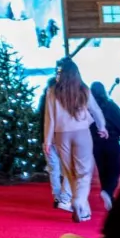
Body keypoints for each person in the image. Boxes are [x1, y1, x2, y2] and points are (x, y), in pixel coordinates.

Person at [43, 58, 107, 223]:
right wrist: (102, 127)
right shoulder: (83, 89)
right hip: (82, 133)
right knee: (84, 172)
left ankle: (83, 210)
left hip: (60, 134)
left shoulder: (52, 91)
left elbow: (49, 118)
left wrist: (47, 141)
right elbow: (96, 110)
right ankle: (78, 202)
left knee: (70, 171)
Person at [90, 80, 120, 210]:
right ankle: (108, 191)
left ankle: (108, 194)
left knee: (103, 170)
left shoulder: (88, 107)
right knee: (115, 169)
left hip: (95, 143)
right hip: (111, 141)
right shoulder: (111, 106)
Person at [37, 71, 66, 209]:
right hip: (62, 136)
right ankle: (65, 197)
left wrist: (43, 138)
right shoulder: (61, 100)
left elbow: (42, 120)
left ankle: (57, 196)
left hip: (48, 138)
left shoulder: (44, 101)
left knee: (53, 168)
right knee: (66, 168)